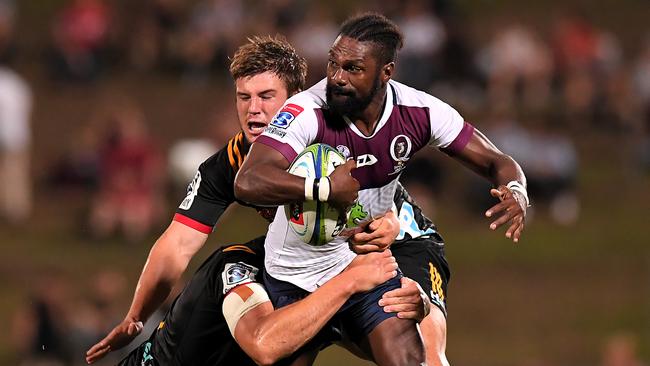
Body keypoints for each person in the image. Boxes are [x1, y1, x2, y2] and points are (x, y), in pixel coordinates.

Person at [86, 35, 431, 365]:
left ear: (296, 98)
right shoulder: (231, 164)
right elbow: (176, 245)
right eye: (243, 97)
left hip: (411, 245)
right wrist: (136, 316)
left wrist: (407, 263)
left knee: (428, 347)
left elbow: (394, 220)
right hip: (317, 265)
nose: (253, 110)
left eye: (266, 96)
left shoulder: (338, 144)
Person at [235, 13, 529, 366]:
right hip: (295, 276)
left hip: (363, 268)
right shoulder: (308, 110)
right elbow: (249, 180)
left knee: (416, 359)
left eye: (353, 68)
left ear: (386, 72)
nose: (337, 78)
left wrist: (516, 190)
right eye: (333, 63)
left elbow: (497, 161)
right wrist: (324, 188)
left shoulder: (419, 112)